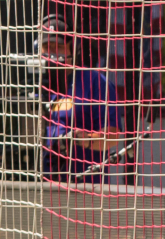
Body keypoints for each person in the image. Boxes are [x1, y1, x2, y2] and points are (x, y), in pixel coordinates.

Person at [40, 16, 123, 183]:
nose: (52, 53)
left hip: (85, 188)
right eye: (47, 46)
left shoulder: (96, 82)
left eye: (59, 47)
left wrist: (86, 140)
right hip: (40, 187)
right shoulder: (33, 83)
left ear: (73, 49)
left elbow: (113, 135)